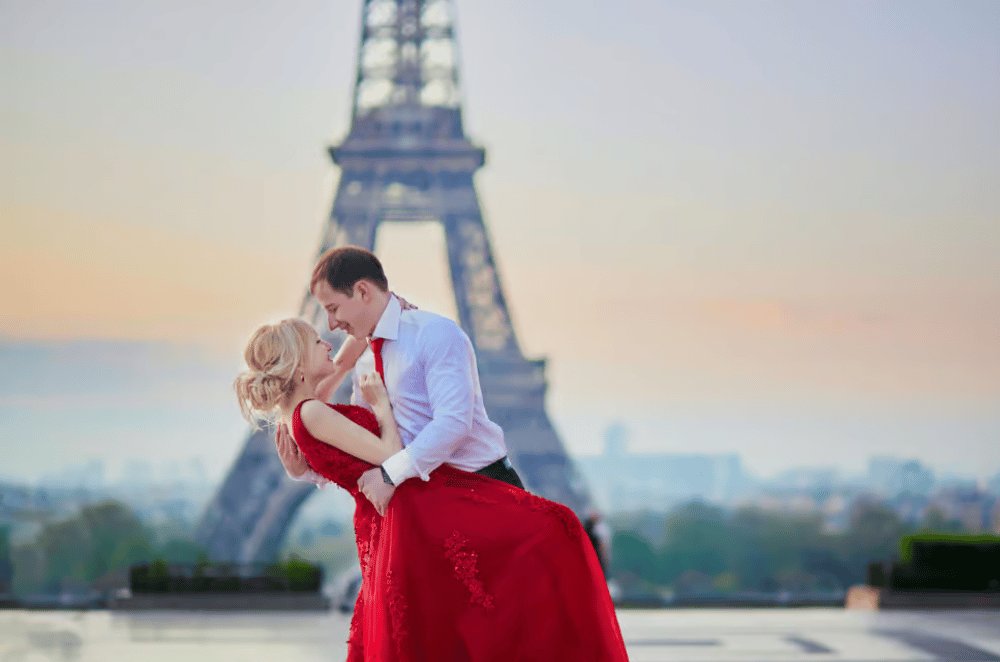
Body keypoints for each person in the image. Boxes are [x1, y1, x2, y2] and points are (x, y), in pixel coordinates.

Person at [235, 318, 629, 661]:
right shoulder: (313, 412)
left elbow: (350, 354)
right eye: (315, 343)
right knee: (551, 528)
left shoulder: (301, 412)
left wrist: (380, 315)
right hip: (415, 512)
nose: (328, 341)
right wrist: (381, 405)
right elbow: (390, 454)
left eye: (332, 320)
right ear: (298, 366)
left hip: (401, 515)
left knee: (449, 620)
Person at [280, 246, 524, 515]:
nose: (331, 324)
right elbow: (365, 446)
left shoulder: (434, 333)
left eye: (334, 308)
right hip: (422, 509)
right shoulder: (364, 361)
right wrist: (308, 473)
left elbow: (454, 422)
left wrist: (389, 475)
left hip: (483, 495)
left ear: (363, 291)